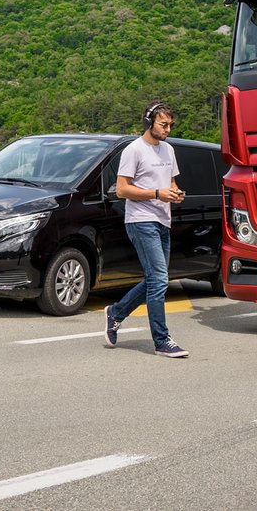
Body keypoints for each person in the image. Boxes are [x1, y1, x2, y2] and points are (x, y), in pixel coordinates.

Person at [104, 100, 189, 358]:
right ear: (149, 122)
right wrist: (156, 193)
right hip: (140, 220)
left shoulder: (169, 150)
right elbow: (121, 190)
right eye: (163, 125)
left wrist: (174, 194)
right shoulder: (134, 150)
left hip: (163, 219)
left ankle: (116, 312)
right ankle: (162, 340)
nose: (168, 130)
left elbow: (170, 183)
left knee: (156, 279)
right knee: (160, 279)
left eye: (170, 125)